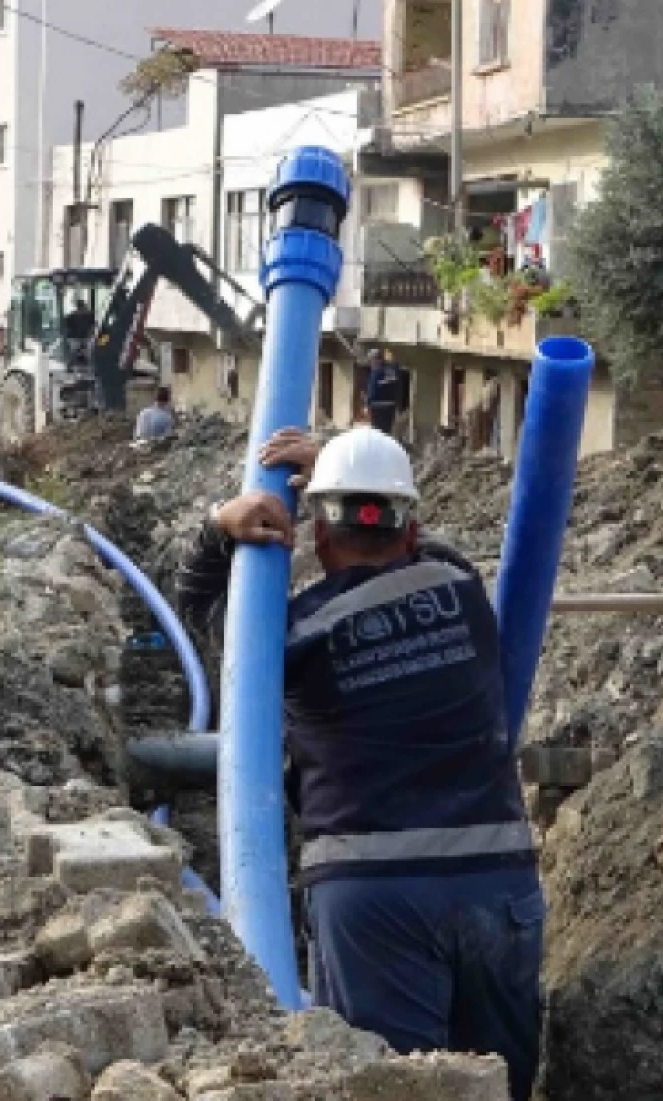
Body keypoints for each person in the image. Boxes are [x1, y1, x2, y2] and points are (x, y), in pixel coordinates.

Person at [175, 427, 542, 1101]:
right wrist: (341, 469)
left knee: (388, 1086)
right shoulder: (464, 591)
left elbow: (202, 613)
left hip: (372, 892)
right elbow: (427, 550)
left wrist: (218, 529)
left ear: (317, 537)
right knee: (501, 1084)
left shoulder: (295, 635)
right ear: (410, 526)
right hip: (496, 880)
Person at [364, 349, 402, 436]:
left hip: (377, 407)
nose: (371, 363)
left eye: (371, 360)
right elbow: (396, 382)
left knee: (377, 434)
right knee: (386, 433)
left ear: (377, 359)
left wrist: (367, 402)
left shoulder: (376, 371)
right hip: (390, 407)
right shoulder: (391, 370)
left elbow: (372, 390)